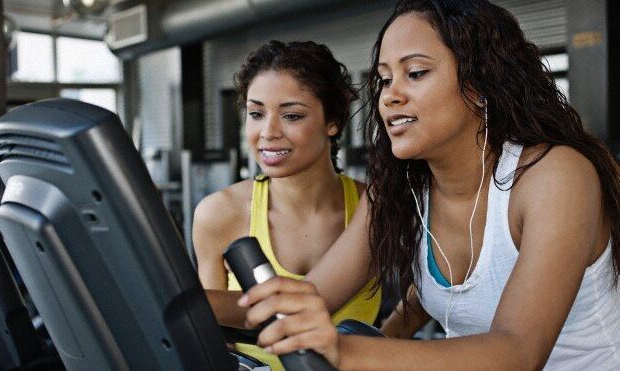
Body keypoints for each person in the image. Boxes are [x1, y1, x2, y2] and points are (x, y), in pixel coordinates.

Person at [236, 1, 620, 370]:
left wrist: (345, 351)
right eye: (385, 80)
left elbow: (518, 353)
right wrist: (186, 306)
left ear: (479, 83)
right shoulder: (404, 189)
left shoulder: (553, 176)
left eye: (415, 73)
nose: (390, 95)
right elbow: (308, 298)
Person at [192, 40, 382, 370]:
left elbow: (423, 298)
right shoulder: (219, 214)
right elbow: (214, 341)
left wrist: (385, 340)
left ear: (332, 121)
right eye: (255, 113)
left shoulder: (375, 208)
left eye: (291, 115)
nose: (268, 132)